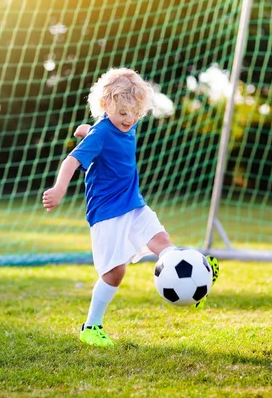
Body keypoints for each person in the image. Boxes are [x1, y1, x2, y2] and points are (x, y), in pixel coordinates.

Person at [42, 68, 219, 347]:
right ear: (106, 105)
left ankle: (196, 277)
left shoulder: (124, 122)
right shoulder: (100, 133)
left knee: (163, 242)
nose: (129, 119)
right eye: (122, 113)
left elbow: (110, 134)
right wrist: (59, 189)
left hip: (133, 203)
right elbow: (72, 161)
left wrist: (86, 129)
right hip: (106, 211)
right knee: (115, 273)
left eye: (134, 113)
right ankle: (91, 326)